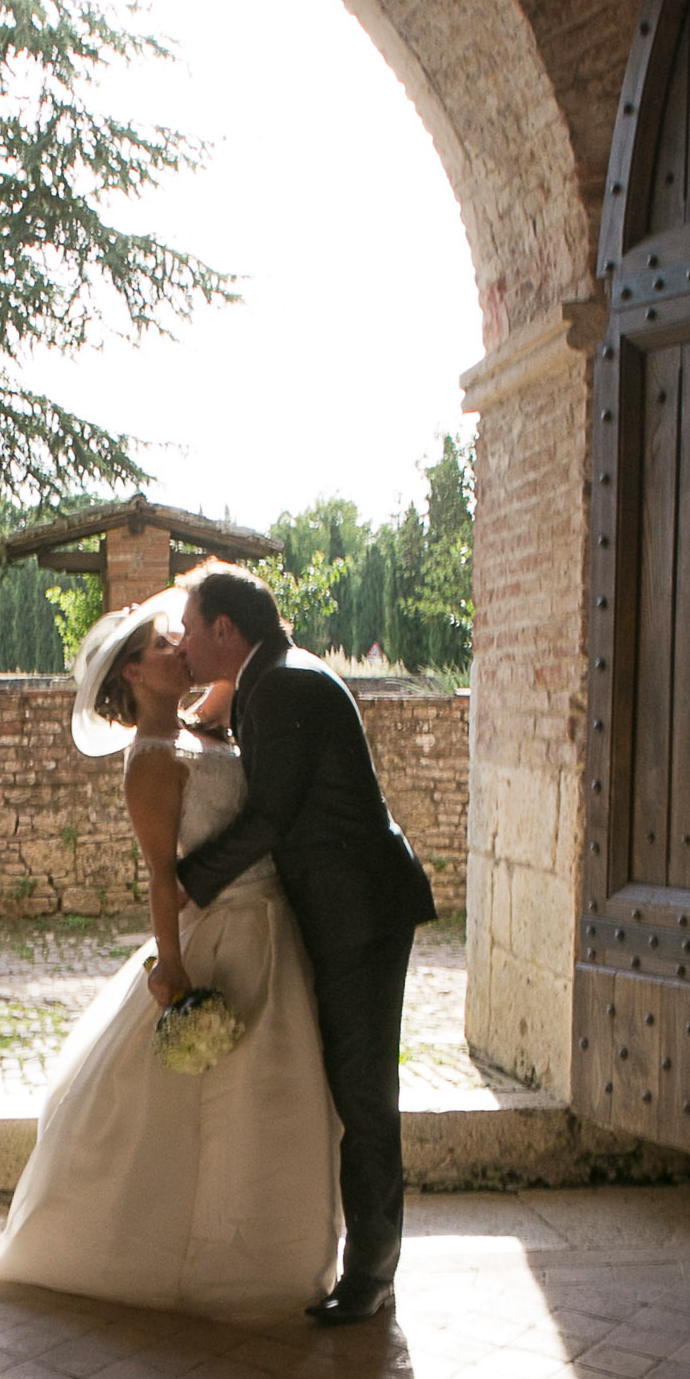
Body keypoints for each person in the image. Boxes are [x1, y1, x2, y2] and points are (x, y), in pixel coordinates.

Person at [0, 594, 341, 1317]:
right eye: (168, 647)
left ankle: (270, 1254)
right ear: (134, 672)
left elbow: (242, 654)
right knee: (207, 1107)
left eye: (181, 642)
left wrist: (211, 596)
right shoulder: (152, 763)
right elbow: (162, 877)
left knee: (272, 1102)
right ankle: (176, 1251)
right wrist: (175, 971)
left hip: (272, 929)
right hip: (219, 935)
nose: (183, 654)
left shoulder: (207, 724)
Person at [174, 562, 436, 1325]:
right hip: (339, 909)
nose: (185, 643)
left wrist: (187, 880)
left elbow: (271, 821)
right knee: (350, 1089)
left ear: (226, 631)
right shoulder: (269, 677)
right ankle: (367, 1260)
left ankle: (373, 1274)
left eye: (192, 629)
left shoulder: (285, 684)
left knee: (364, 1096)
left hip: (359, 915)